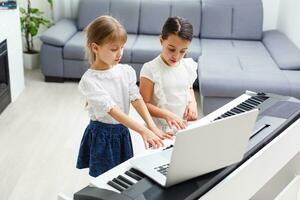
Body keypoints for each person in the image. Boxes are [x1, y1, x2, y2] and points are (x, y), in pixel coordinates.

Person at [76, 15, 172, 177]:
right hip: (102, 135)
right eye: (114, 49)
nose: (119, 53)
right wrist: (142, 131)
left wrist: (152, 126)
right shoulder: (90, 80)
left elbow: (136, 98)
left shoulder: (125, 71)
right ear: (95, 47)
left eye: (122, 47)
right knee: (104, 178)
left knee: (122, 174)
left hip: (122, 131)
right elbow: (112, 111)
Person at [139, 16, 198, 133]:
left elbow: (189, 88)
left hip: (183, 126)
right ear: (161, 41)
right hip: (160, 130)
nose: (176, 56)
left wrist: (193, 104)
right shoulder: (150, 69)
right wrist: (166, 115)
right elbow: (143, 104)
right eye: (171, 49)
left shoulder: (187, 65)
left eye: (183, 51)